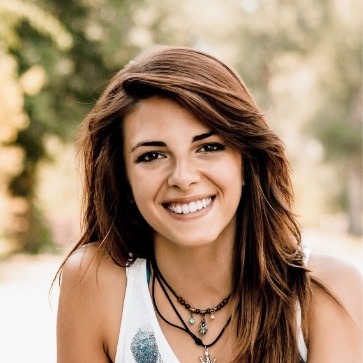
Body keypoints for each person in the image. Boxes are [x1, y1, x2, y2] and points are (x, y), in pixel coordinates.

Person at [56, 46, 362, 363]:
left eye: (209, 147)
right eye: (152, 155)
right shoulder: (94, 283)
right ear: (124, 179)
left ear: (246, 162)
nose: (183, 177)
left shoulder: (327, 292)